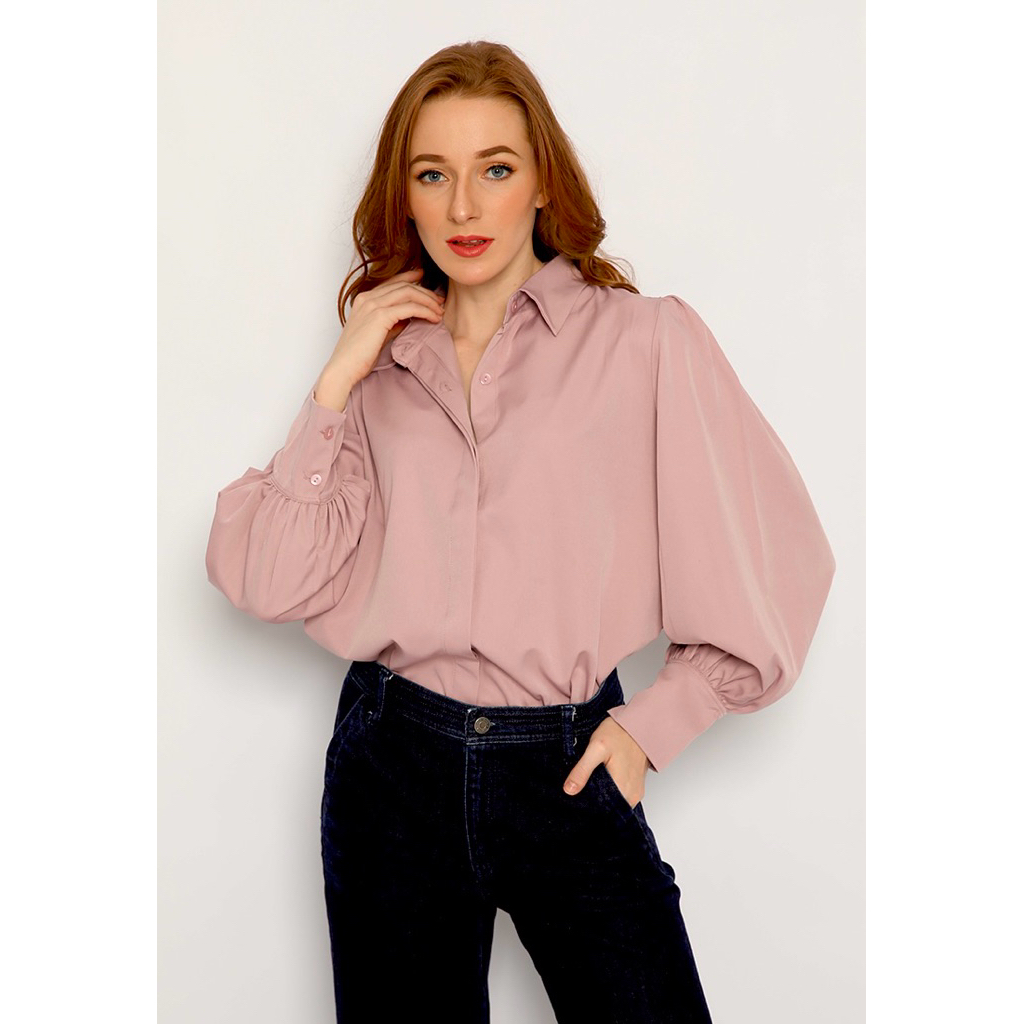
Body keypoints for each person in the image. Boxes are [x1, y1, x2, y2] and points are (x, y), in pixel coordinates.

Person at [205, 40, 836, 1024]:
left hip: (570, 765)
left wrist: (651, 729)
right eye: (433, 175)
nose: (464, 206)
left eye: (494, 169)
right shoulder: (379, 367)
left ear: (542, 181)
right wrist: (335, 381)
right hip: (391, 768)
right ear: (405, 196)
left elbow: (781, 556)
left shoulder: (644, 342)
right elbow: (264, 580)